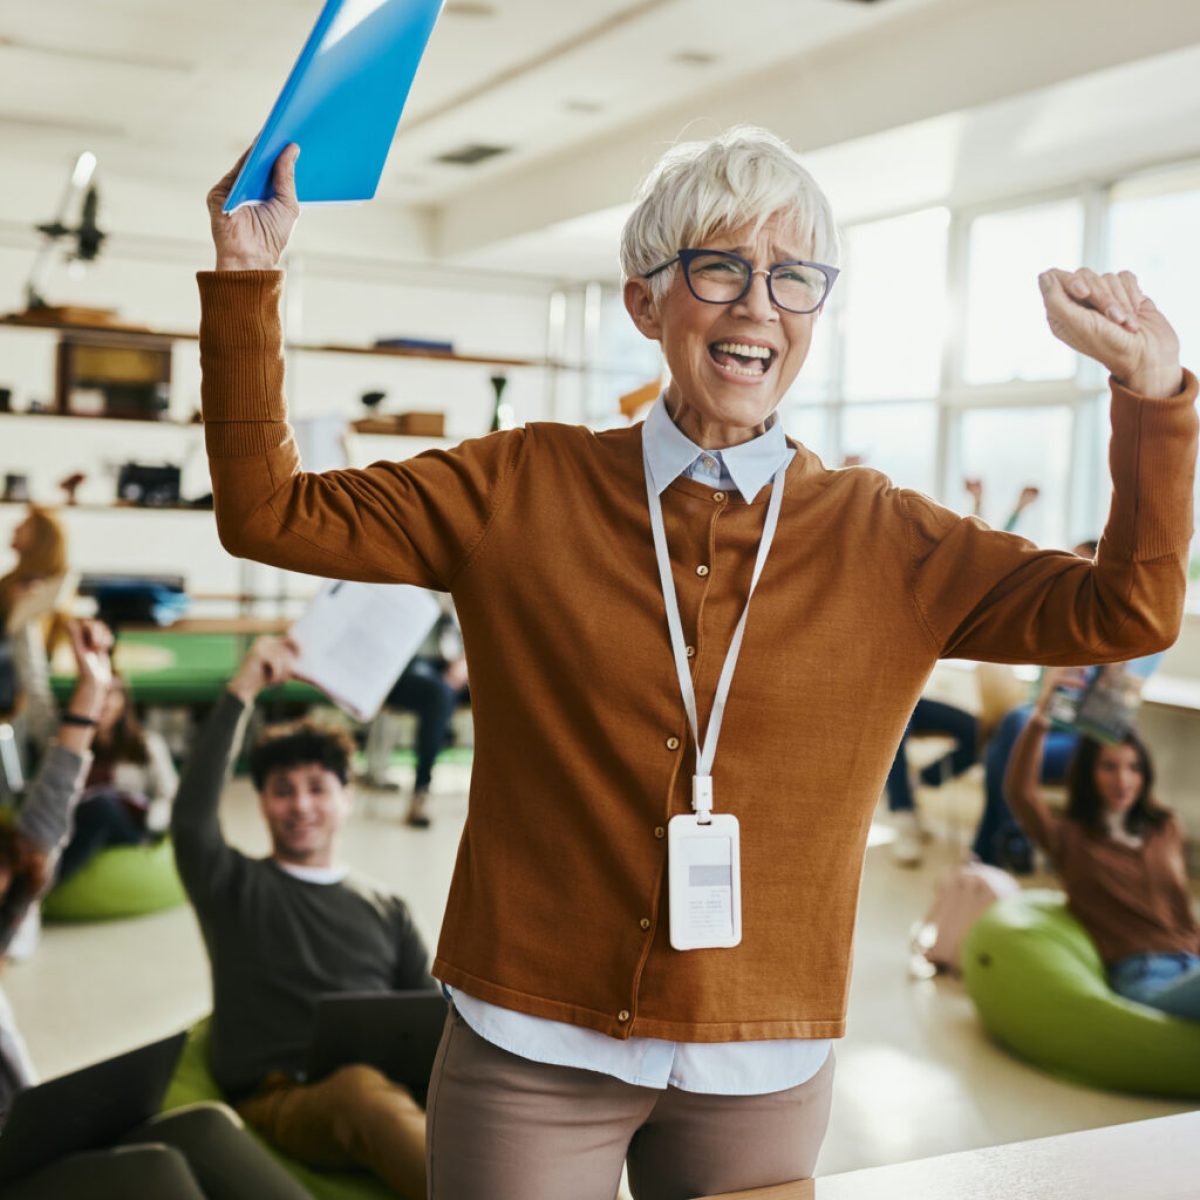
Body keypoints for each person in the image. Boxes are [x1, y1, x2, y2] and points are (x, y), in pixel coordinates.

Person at [199, 125, 1196, 1199]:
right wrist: (247, 279)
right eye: (720, 268)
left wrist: (1154, 397)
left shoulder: (889, 538)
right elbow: (269, 512)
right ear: (646, 303)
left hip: (761, 1058)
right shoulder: (519, 485)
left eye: (793, 277)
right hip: (534, 1039)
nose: (759, 304)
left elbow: (1129, 610)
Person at [0, 619, 306, 1200]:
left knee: (206, 1127)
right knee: (154, 1171)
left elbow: (44, 821)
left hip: (26, 1137)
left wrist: (91, 688)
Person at [171, 635, 435, 1199]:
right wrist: (242, 691)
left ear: (347, 796)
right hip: (288, 1097)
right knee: (360, 1093)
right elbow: (192, 819)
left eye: (317, 788)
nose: (301, 806)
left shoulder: (386, 908)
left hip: (390, 1090)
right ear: (261, 800)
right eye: (282, 791)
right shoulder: (234, 885)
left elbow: (432, 1023)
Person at [1006, 668, 1200, 1019]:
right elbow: (1020, 792)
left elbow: (1178, 908)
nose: (1123, 780)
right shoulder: (1069, 838)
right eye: (1108, 767)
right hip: (1145, 977)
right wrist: (1041, 717)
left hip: (1192, 965)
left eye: (1133, 767)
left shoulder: (1166, 827)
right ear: (1087, 774)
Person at [972, 539, 1101, 872]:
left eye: (1082, 568)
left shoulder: (1112, 638)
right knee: (1013, 730)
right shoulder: (1057, 625)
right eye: (1068, 566)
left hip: (1079, 740)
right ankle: (1008, 842)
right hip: (1037, 729)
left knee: (1001, 754)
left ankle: (990, 851)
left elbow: (1103, 721)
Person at [56, 673, 179, 883]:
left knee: (103, 805)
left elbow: (170, 796)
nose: (101, 701)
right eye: (95, 693)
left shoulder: (147, 745)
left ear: (123, 700)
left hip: (128, 827)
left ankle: (46, 883)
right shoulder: (69, 745)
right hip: (76, 822)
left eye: (109, 693)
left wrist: (152, 824)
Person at [364, 601, 469, 827]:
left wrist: (465, 663)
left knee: (504, 687)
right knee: (439, 695)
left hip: (449, 663)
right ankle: (421, 791)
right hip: (403, 667)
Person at [0, 506, 70, 766]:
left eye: (25, 525)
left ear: (41, 538)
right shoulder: (11, 584)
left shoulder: (34, 591)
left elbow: (31, 669)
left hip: (16, 694)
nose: (15, 528)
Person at [884, 697, 977, 867]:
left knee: (977, 731)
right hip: (885, 702)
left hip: (915, 698)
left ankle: (914, 782)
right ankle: (904, 817)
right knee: (894, 727)